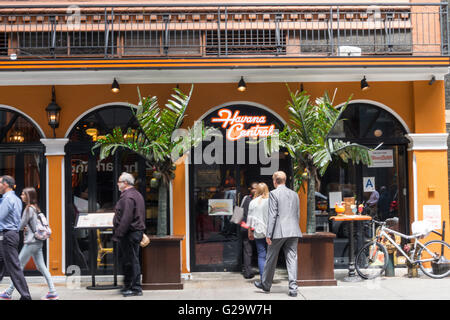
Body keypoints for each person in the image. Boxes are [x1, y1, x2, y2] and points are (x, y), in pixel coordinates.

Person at [1, 187, 58, 300]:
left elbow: (20, 226)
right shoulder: (36, 208)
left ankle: (8, 292)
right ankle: (52, 291)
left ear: (28, 196)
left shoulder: (28, 209)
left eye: (23, 194)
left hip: (30, 243)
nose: (21, 196)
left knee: (17, 267)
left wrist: (12, 227)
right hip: (38, 242)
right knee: (41, 267)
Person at [254, 171, 302, 297]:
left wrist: (268, 234)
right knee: (292, 258)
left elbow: (272, 215)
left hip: (279, 231)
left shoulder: (274, 194)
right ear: (284, 180)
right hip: (293, 230)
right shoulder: (294, 194)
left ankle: (265, 284)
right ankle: (293, 288)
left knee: (271, 258)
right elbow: (298, 214)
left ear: (275, 181)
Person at [113, 172, 146, 297]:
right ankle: (129, 285)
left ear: (125, 183)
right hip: (133, 232)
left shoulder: (128, 197)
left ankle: (135, 288)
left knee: (132, 260)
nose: (118, 184)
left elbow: (126, 218)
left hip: (130, 233)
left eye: (119, 181)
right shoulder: (136, 194)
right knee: (130, 260)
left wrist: (118, 234)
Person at [0, 176, 32, 300]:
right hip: (10, 235)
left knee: (14, 267)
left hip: (7, 236)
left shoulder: (7, 199)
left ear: (5, 185)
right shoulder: (16, 199)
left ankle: (25, 296)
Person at [247, 183, 269, 281]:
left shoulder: (253, 202)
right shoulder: (270, 201)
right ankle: (269, 278)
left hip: (258, 231)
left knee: (261, 255)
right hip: (270, 232)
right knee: (271, 256)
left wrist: (249, 232)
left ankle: (263, 278)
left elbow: (250, 219)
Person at [240, 182, 258, 279]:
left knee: (248, 251)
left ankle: (248, 272)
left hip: (246, 227)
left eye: (256, 188)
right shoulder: (260, 200)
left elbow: (239, 211)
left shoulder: (245, 198)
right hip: (253, 228)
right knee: (258, 250)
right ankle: (249, 271)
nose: (254, 190)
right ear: (250, 189)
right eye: (253, 188)